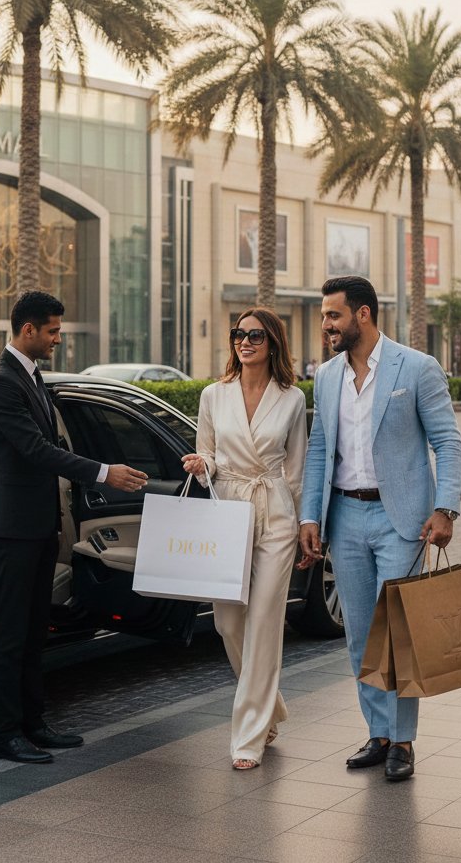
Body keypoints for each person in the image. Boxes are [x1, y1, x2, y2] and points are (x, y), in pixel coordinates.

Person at [298, 276, 461, 782]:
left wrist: (445, 509)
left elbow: (448, 443)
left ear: (362, 314)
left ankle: (404, 741)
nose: (325, 324)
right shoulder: (326, 377)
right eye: (325, 316)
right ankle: (379, 731)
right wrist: (311, 515)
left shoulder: (416, 367)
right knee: (361, 635)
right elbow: (320, 449)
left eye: (333, 315)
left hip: (404, 522)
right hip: (344, 517)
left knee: (400, 633)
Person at [0, 290, 149, 764]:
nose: (58, 339)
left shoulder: (32, 377)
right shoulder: (1, 383)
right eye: (52, 331)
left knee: (36, 628)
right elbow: (36, 451)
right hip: (11, 526)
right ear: (27, 330)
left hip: (36, 524)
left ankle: (33, 723)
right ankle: (3, 734)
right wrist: (103, 472)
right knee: (10, 631)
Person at [181, 307, 307, 771]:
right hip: (228, 510)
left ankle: (249, 735)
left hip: (275, 512)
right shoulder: (214, 395)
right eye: (239, 334)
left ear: (272, 342)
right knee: (228, 623)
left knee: (264, 623)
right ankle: (270, 708)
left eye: (255, 335)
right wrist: (201, 464)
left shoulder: (291, 399)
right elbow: (209, 453)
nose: (245, 341)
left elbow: (296, 469)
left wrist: (307, 526)